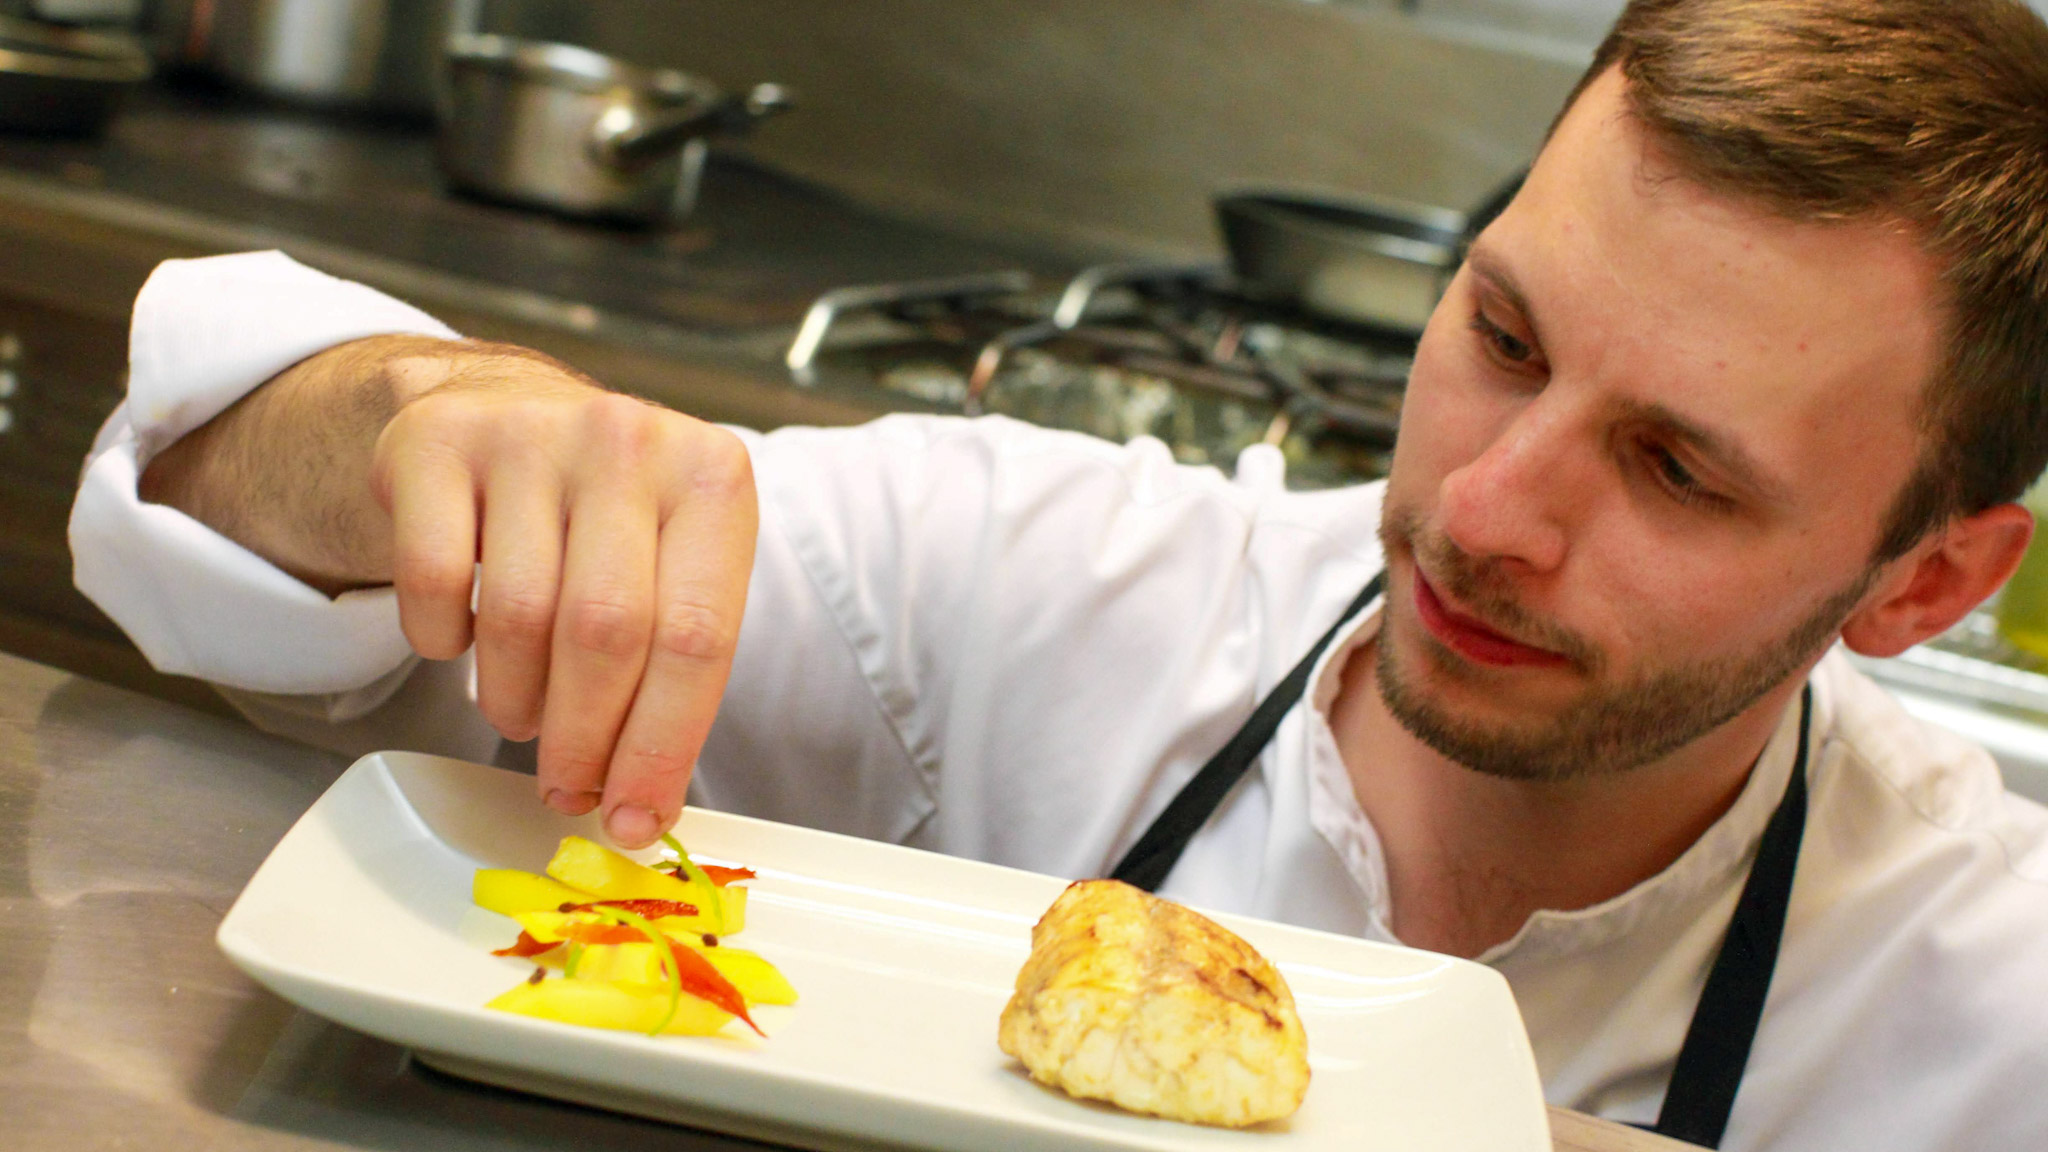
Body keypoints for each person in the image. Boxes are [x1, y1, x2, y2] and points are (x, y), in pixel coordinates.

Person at [66, 0, 2048, 1147]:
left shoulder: (1984, 1012)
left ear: (1926, 584)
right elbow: (239, 508)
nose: (1487, 511)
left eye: (1677, 468)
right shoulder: (1030, 587)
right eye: (1503, 340)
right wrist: (422, 414)